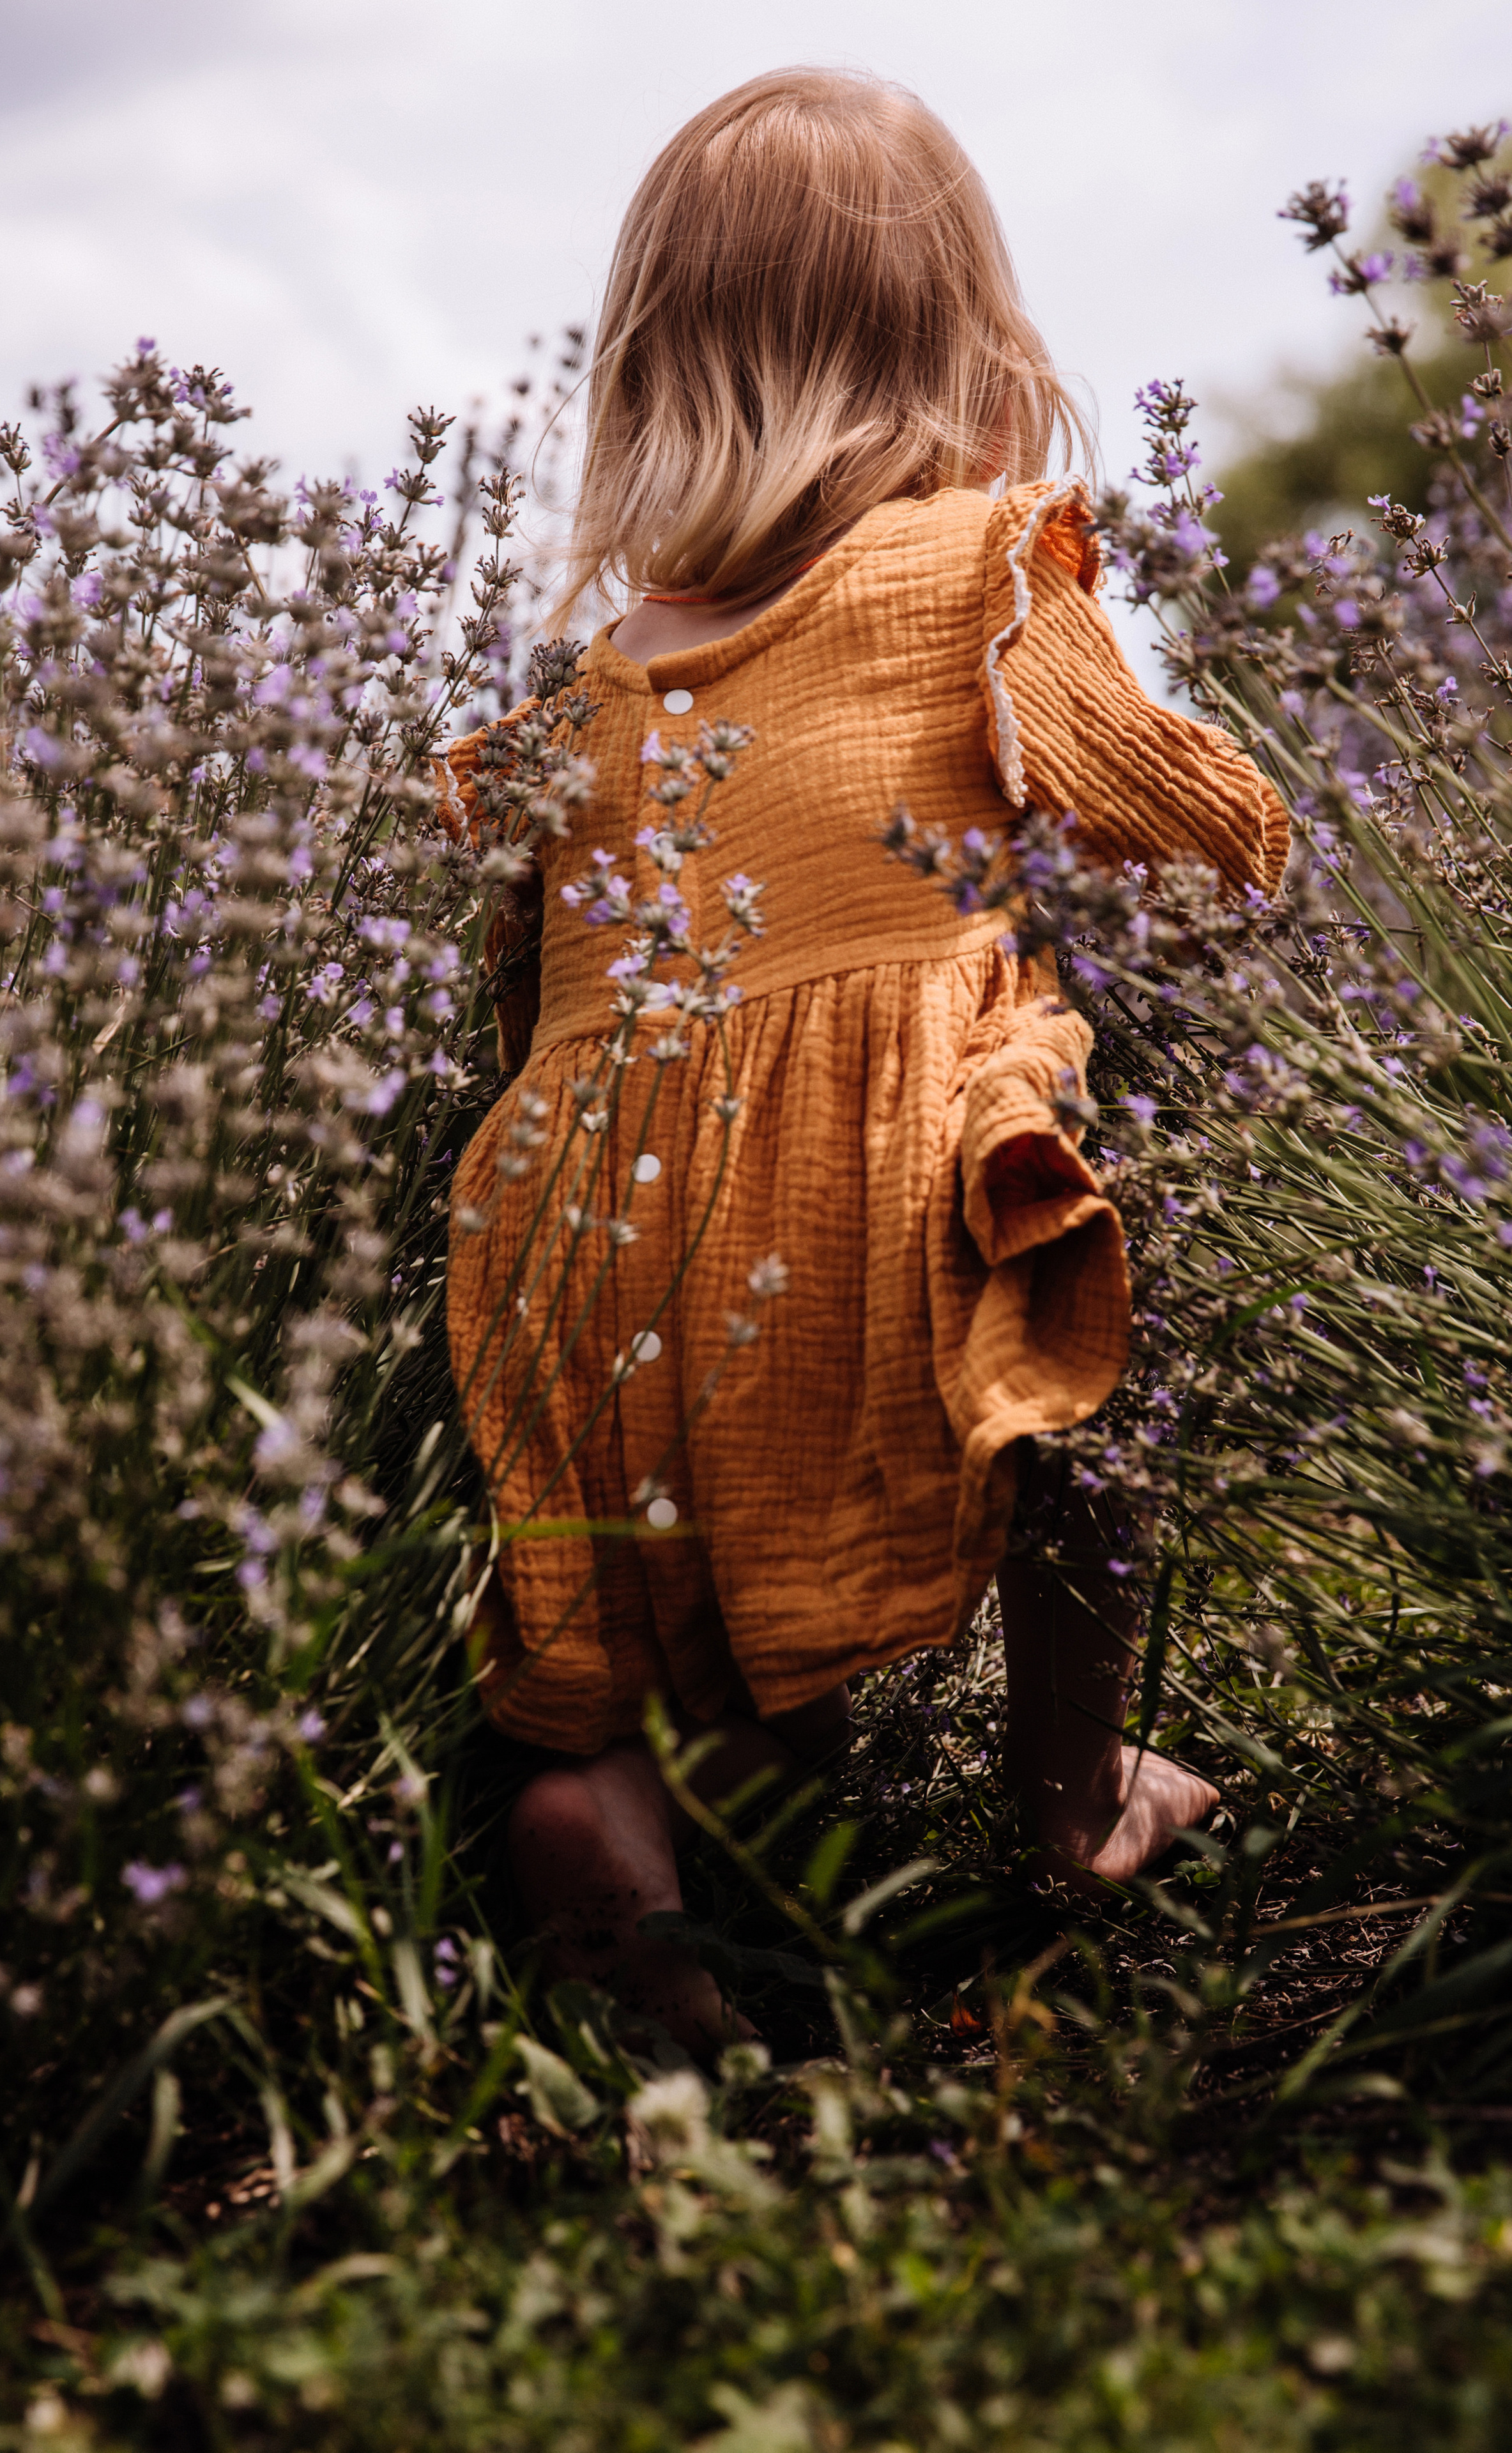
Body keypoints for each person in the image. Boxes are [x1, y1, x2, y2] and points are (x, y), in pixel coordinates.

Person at [445, 68, 1287, 2061]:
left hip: (583, 1228)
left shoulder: (583, 691)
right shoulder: (977, 569)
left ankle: (629, 1810)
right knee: (1065, 1347)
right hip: (853, 1203)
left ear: (651, 365)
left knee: (684, 1577)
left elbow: (516, 984)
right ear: (965, 341)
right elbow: (1194, 833)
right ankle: (1075, 1798)